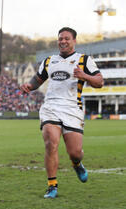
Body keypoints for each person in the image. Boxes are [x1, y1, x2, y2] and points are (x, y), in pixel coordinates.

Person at [20, 27, 103, 198]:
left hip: (72, 108)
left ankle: (77, 163)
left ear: (74, 41)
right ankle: (52, 185)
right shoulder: (49, 61)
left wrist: (84, 76)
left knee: (75, 152)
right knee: (51, 142)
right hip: (51, 106)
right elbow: (38, 79)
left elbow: (99, 82)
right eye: (60, 38)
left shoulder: (84, 60)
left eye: (66, 38)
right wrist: (30, 85)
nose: (63, 41)